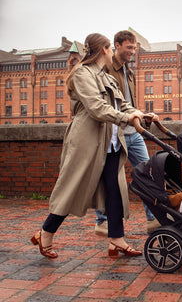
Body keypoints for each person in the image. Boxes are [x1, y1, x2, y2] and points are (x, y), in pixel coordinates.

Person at [30, 33, 144, 258]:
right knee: (72, 187)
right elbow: (96, 107)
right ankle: (45, 233)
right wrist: (126, 118)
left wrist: (140, 114)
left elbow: (122, 104)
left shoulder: (106, 76)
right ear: (103, 50)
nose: (112, 51)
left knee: (115, 190)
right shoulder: (83, 73)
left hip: (110, 142)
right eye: (110, 47)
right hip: (87, 141)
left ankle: (116, 239)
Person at [94, 30, 160, 236]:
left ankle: (153, 218)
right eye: (129, 47)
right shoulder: (105, 69)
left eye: (134, 47)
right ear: (117, 45)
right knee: (110, 176)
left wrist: (141, 115)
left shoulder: (128, 71)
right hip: (115, 131)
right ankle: (102, 221)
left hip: (134, 131)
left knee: (146, 173)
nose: (132, 51)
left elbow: (127, 103)